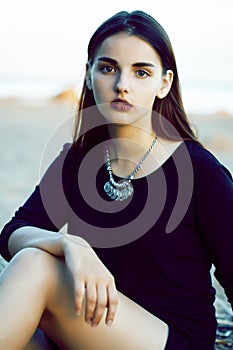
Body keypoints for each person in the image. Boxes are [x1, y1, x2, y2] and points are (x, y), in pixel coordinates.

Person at [0, 10, 233, 350]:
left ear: (164, 83)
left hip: (169, 339)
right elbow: (13, 232)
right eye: (108, 68)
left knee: (36, 269)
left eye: (141, 72)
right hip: (88, 326)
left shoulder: (200, 172)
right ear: (89, 75)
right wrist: (70, 244)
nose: (122, 84)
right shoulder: (79, 160)